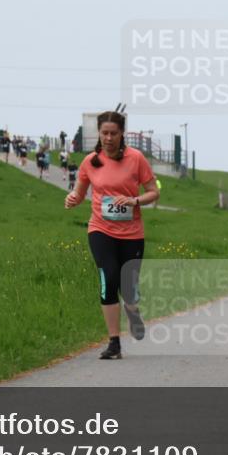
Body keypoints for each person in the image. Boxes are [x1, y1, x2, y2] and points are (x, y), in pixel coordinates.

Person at [65, 110, 159, 360]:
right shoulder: (90, 161)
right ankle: (114, 343)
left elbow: (153, 191)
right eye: (104, 133)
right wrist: (72, 199)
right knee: (108, 280)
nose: (108, 138)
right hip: (100, 229)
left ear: (122, 134)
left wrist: (134, 200)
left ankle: (132, 309)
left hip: (132, 233)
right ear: (99, 133)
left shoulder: (136, 158)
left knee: (128, 287)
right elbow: (79, 192)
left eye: (113, 133)